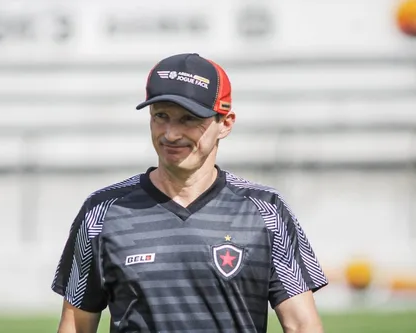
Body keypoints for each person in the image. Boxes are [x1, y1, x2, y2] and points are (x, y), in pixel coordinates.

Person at [51, 53, 328, 333]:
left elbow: (302, 324)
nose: (171, 134)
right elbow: (76, 324)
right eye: (161, 116)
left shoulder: (266, 209)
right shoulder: (102, 211)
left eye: (189, 119)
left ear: (226, 124)